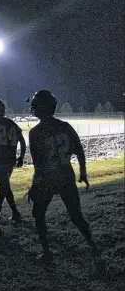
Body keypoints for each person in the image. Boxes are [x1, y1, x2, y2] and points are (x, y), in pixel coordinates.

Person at [27, 90, 97, 262]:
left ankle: (47, 252)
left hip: (48, 178)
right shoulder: (65, 126)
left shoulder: (35, 132)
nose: (33, 108)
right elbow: (79, 150)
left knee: (39, 214)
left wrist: (35, 185)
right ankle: (92, 245)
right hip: (66, 174)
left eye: (35, 105)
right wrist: (83, 172)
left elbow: (39, 165)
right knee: (75, 214)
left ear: (40, 108)